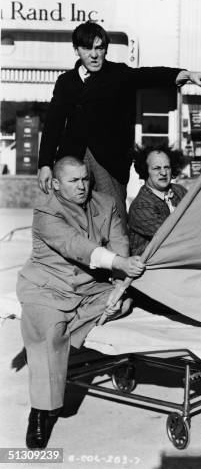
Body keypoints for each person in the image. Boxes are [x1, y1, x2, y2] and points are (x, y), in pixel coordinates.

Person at [17, 156, 145, 449]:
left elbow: (119, 241)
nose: (82, 186)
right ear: (56, 184)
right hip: (48, 286)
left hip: (90, 288)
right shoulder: (46, 209)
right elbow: (77, 246)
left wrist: (120, 285)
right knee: (47, 331)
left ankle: (65, 340)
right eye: (73, 181)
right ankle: (41, 412)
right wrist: (120, 263)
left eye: (85, 179)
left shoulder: (106, 202)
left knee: (124, 304)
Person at [37, 20, 201, 228]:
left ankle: (119, 259)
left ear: (105, 49)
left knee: (114, 220)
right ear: (76, 50)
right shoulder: (65, 81)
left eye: (99, 48)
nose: (94, 55)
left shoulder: (118, 74)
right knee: (71, 221)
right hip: (73, 160)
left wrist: (185, 75)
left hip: (109, 162)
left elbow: (149, 75)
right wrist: (45, 164)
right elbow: (53, 124)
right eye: (87, 48)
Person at [128, 145, 187, 255]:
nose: (164, 173)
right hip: (153, 266)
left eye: (167, 167)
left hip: (181, 255)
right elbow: (170, 236)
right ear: (145, 171)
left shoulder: (179, 191)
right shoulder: (141, 206)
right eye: (157, 168)